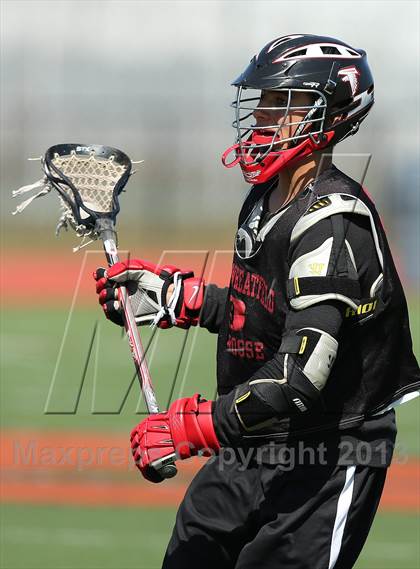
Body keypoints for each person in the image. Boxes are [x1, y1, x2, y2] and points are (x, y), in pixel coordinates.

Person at [94, 34, 420, 569]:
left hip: (328, 455)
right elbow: (265, 313)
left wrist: (197, 427)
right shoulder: (265, 197)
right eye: (262, 101)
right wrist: (181, 299)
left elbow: (300, 374)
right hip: (256, 439)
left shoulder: (333, 221)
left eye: (281, 103)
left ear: (328, 114)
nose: (262, 117)